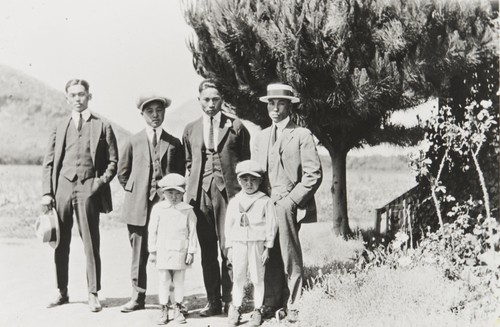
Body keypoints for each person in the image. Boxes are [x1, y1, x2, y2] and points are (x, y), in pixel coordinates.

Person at [41, 79, 118, 312]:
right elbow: (49, 162)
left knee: (91, 243)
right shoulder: (59, 125)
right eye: (73, 95)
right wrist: (47, 193)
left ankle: (93, 293)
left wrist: (100, 182)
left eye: (81, 94)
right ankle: (61, 291)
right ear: (67, 98)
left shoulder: (102, 125)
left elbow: (113, 162)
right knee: (60, 242)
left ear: (89, 96)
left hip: (89, 188)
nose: (77, 99)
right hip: (63, 187)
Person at [254, 83, 322, 322]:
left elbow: (313, 175)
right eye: (271, 103)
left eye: (280, 103)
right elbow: (255, 173)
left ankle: (294, 303)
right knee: (267, 254)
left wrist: (291, 201)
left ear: (290, 106)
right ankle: (271, 302)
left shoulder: (302, 135)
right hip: (265, 205)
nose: (274, 108)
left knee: (289, 254)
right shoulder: (261, 137)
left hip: (288, 203)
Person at [182, 79, 251, 316]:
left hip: (229, 195)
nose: (211, 104)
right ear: (199, 100)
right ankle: (212, 301)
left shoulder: (237, 126)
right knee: (208, 250)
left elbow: (245, 161)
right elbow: (189, 162)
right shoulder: (190, 129)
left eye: (215, 99)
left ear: (222, 100)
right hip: (201, 196)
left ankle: (232, 301)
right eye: (206, 99)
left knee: (229, 248)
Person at [118, 93, 185, 312]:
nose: (155, 115)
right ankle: (138, 297)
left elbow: (179, 174)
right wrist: (139, 193)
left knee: (169, 253)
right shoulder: (132, 141)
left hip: (166, 209)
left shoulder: (174, 143)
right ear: (142, 114)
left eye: (159, 111)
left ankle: (171, 299)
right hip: (138, 207)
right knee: (138, 253)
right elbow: (123, 174)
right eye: (150, 112)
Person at [224, 160, 277, 327]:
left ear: (260, 181)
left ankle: (257, 309)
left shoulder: (264, 201)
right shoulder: (235, 201)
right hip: (239, 243)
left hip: (257, 243)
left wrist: (268, 247)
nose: (249, 183)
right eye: (245, 179)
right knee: (238, 277)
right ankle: (236, 307)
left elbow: (271, 224)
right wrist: (230, 246)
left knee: (257, 277)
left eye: (253, 180)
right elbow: (229, 225)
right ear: (239, 181)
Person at [148, 173, 197, 325]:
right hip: (163, 250)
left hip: (180, 251)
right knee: (163, 280)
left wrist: (191, 251)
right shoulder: (158, 209)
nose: (174, 197)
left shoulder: (187, 210)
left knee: (179, 280)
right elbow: (152, 230)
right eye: (170, 193)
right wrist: (152, 251)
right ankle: (164, 308)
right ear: (163, 193)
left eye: (178, 193)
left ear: (183, 193)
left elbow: (192, 231)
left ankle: (178, 307)